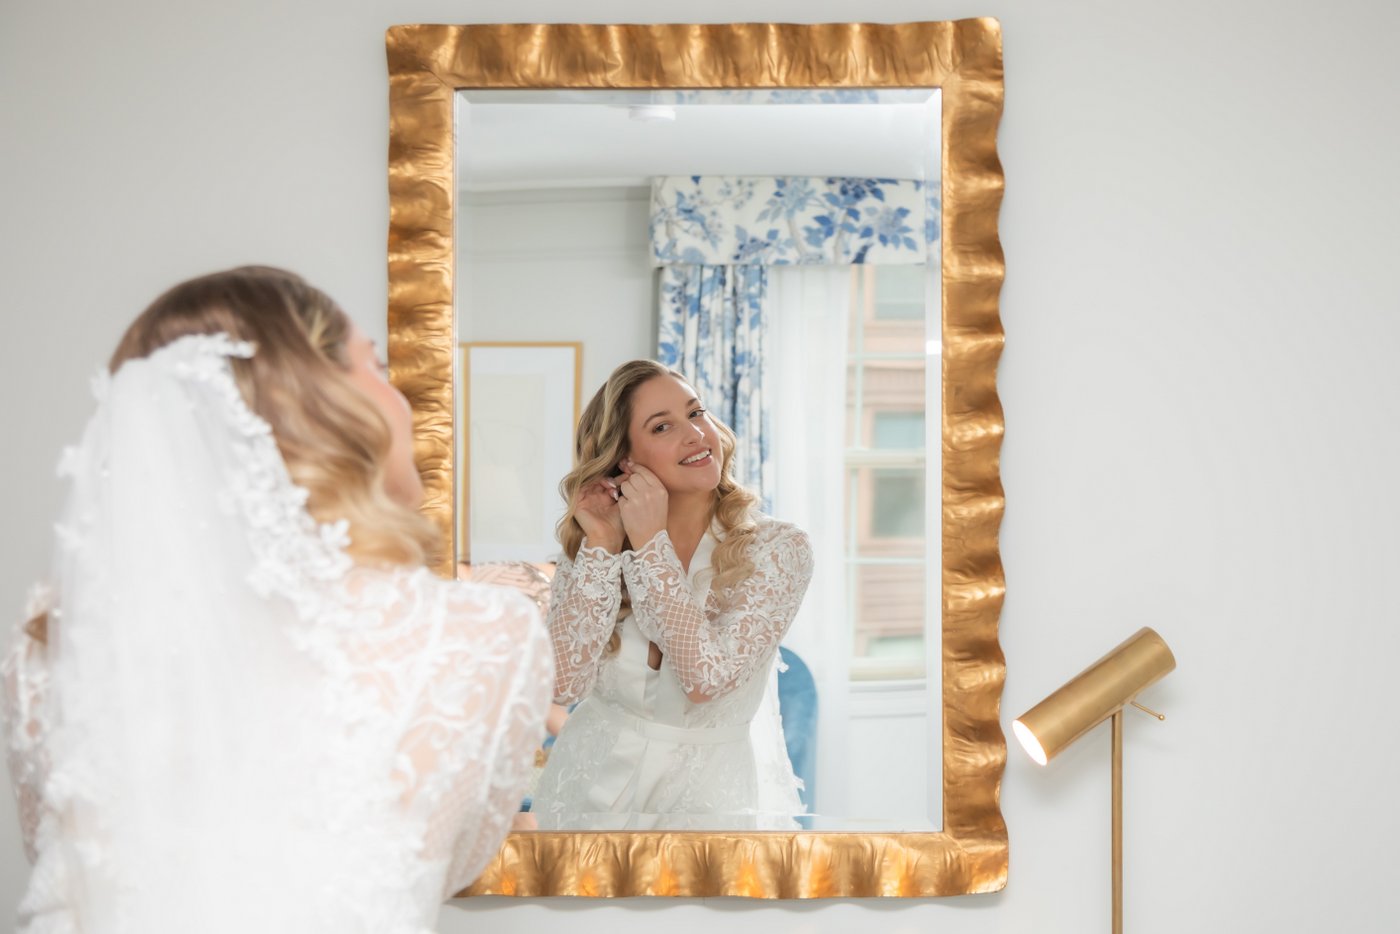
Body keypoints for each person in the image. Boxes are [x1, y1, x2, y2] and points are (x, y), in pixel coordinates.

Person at [1, 267, 551, 933]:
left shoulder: (50, 643)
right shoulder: (482, 634)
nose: (399, 396)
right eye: (373, 363)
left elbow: (68, 865)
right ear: (323, 402)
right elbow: (451, 864)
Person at [530, 360, 813, 830]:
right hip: (584, 793)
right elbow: (562, 684)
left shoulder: (779, 548)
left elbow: (707, 681)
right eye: (663, 426)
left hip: (709, 807)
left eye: (696, 413)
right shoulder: (596, 546)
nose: (696, 435)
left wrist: (650, 547)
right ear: (625, 460)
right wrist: (602, 544)